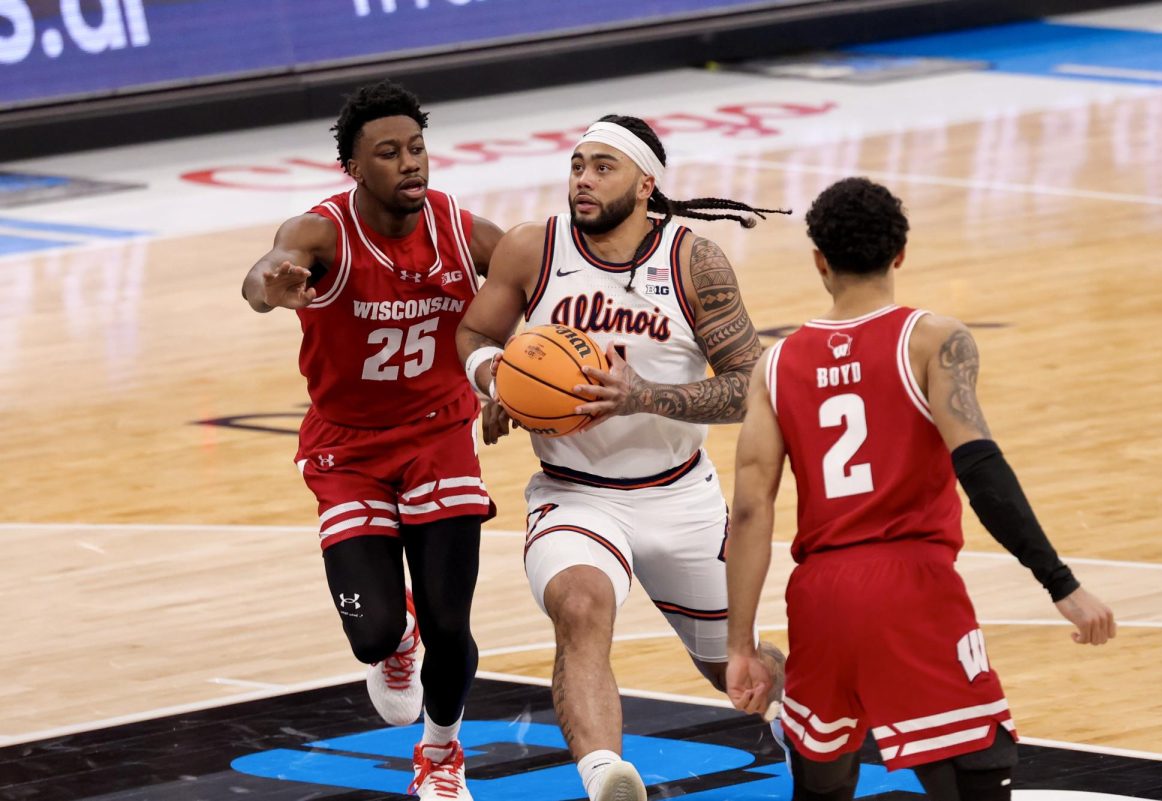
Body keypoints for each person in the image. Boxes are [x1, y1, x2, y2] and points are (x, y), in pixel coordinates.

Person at [723, 176, 1117, 800]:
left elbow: (749, 513)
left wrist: (740, 643)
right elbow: (982, 471)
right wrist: (1060, 584)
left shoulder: (777, 364)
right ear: (900, 254)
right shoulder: (934, 340)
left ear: (819, 260)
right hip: (911, 586)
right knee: (978, 771)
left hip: (820, 597)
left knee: (821, 777)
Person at [456, 114, 789, 801]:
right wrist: (498, 382)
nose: (582, 178)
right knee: (580, 606)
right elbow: (475, 332)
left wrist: (644, 397)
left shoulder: (693, 261)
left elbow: (748, 390)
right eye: (577, 164)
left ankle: (808, 729)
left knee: (735, 664)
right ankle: (607, 776)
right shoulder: (531, 248)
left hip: (680, 495)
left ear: (645, 184)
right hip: (574, 493)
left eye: (602, 166)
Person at [241, 80, 506, 801]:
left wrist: (504, 374)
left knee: (453, 623)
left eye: (417, 148)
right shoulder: (322, 234)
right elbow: (260, 274)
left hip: (439, 433)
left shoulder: (457, 227)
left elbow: (525, 275)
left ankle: (442, 754)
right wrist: (274, 281)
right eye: (388, 153)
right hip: (348, 449)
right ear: (354, 168)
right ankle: (394, 644)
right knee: (375, 632)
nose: (410, 163)